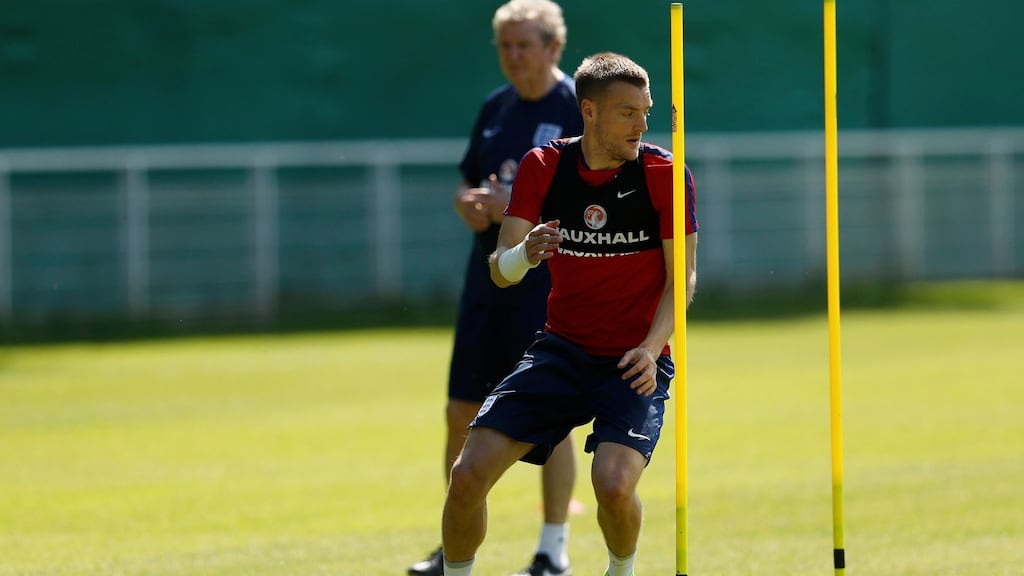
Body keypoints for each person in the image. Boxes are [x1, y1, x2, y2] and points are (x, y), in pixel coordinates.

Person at [440, 52, 699, 576]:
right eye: (627, 112)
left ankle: (620, 572)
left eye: (645, 112)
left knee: (614, 485)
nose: (641, 125)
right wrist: (524, 254)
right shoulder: (544, 165)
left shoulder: (665, 174)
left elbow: (683, 279)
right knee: (466, 475)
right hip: (561, 351)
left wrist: (651, 349)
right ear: (589, 110)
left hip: (633, 360)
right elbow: (501, 270)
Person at [408, 2, 584, 576]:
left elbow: (591, 199)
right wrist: (468, 204)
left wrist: (518, 206)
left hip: (547, 287)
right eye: (504, 45)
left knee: (550, 416)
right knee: (460, 409)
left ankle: (552, 549)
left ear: (553, 47)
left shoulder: (576, 107)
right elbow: (470, 178)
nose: (512, 56)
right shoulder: (495, 106)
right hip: (487, 279)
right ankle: (453, 547)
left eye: (523, 45)